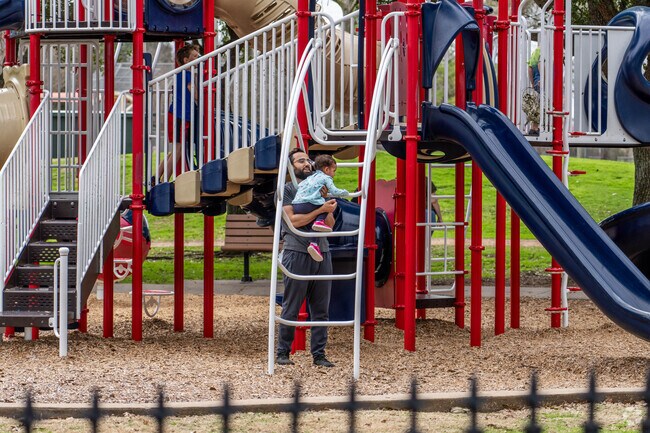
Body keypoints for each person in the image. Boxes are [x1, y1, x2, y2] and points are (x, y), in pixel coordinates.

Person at [276, 148, 338, 368]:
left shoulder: (318, 187)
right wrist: (318, 209)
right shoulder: (288, 189)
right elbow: (293, 220)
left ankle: (319, 354)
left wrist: (324, 205)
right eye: (300, 161)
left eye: (307, 160)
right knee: (292, 305)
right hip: (297, 251)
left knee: (321, 309)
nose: (306, 163)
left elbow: (329, 225)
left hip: (322, 252)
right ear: (291, 167)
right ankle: (283, 352)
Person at [292, 154, 349, 262]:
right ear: (327, 169)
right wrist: (345, 193)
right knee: (327, 204)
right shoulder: (325, 177)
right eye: (334, 170)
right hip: (308, 204)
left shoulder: (310, 178)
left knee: (316, 223)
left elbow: (300, 187)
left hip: (297, 204)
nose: (334, 174)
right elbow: (335, 191)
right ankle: (319, 221)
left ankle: (313, 244)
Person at [156, 44, 200, 182]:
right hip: (180, 116)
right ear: (186, 60)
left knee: (176, 149)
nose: (198, 59)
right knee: (178, 150)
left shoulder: (180, 74)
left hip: (176, 114)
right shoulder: (187, 75)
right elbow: (195, 94)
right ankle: (163, 181)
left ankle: (156, 177)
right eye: (195, 57)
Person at [526, 46, 541, 136]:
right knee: (543, 105)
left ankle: (533, 127)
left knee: (536, 104)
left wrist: (532, 83)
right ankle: (536, 127)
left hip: (536, 81)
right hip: (543, 81)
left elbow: (530, 68)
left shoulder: (536, 51)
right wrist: (543, 78)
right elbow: (540, 64)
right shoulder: (549, 49)